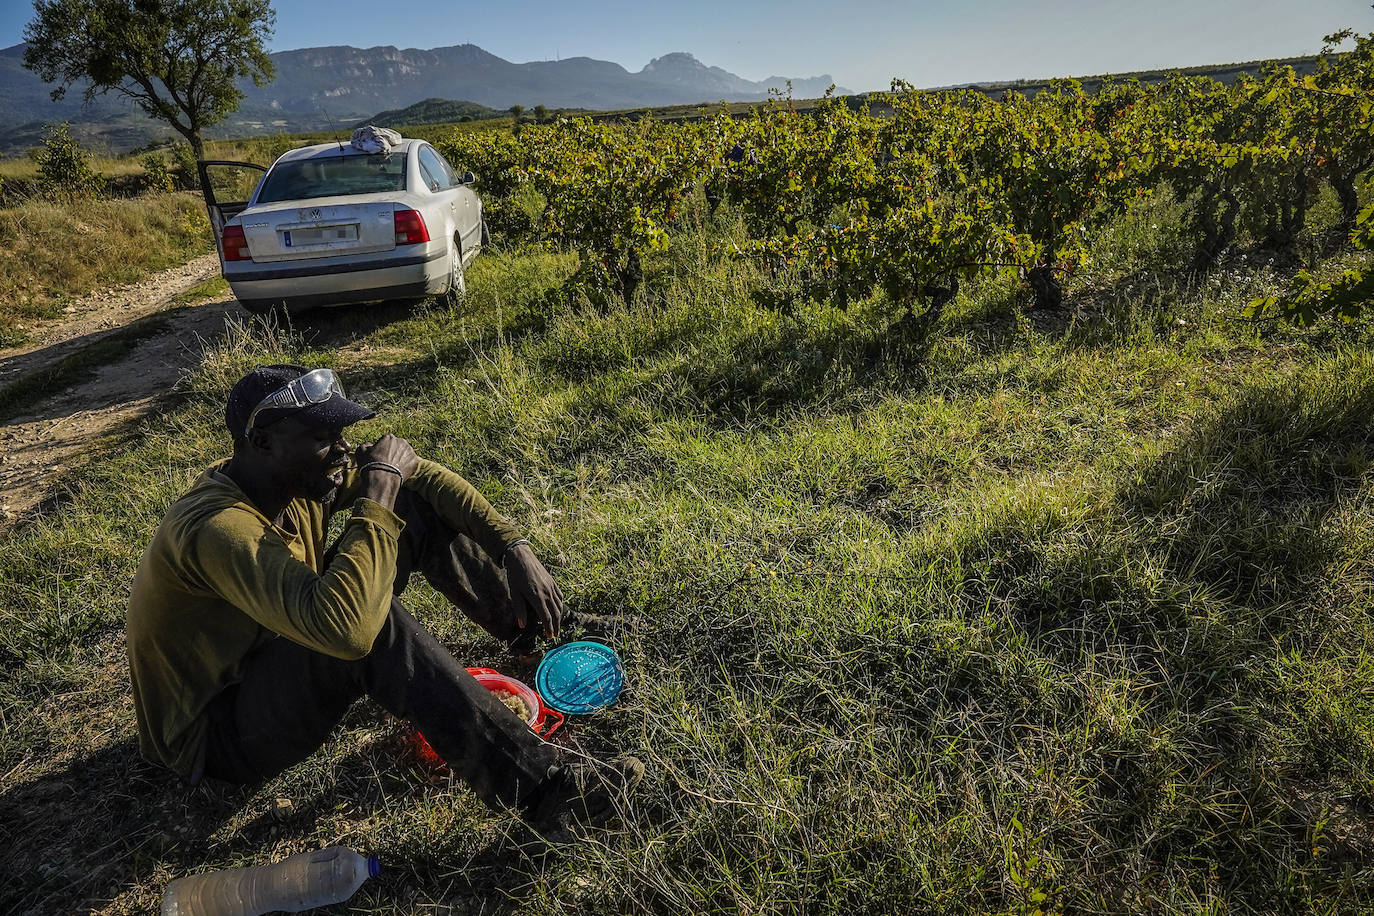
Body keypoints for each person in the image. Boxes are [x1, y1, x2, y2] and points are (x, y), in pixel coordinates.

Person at [125, 364, 641, 840]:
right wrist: (376, 497)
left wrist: (513, 548)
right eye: (324, 438)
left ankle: (540, 632)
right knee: (370, 625)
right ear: (262, 442)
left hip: (275, 646)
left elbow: (422, 479)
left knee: (408, 505)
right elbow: (347, 633)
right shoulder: (218, 529)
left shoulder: (287, 476)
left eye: (341, 434)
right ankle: (544, 792)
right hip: (217, 735)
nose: (343, 449)